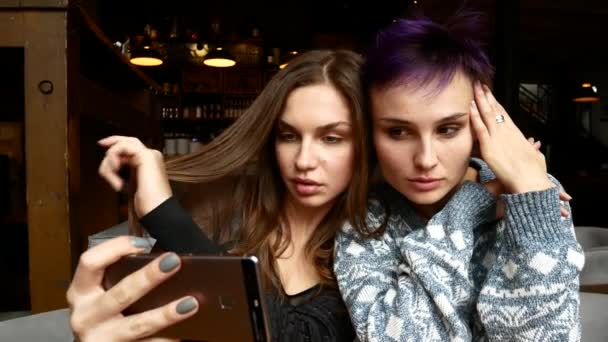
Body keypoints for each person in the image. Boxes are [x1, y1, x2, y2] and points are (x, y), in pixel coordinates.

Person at [67, 49, 371, 342]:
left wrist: (164, 214)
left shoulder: (371, 249)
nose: (304, 160)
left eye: (332, 138)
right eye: (288, 136)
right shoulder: (217, 215)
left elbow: (298, 334)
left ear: (367, 146)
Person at [333, 12, 583, 341]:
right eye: (398, 132)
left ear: (481, 124)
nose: (425, 159)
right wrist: (465, 212)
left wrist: (531, 199)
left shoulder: (534, 192)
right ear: (371, 133)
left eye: (448, 129)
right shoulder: (366, 221)